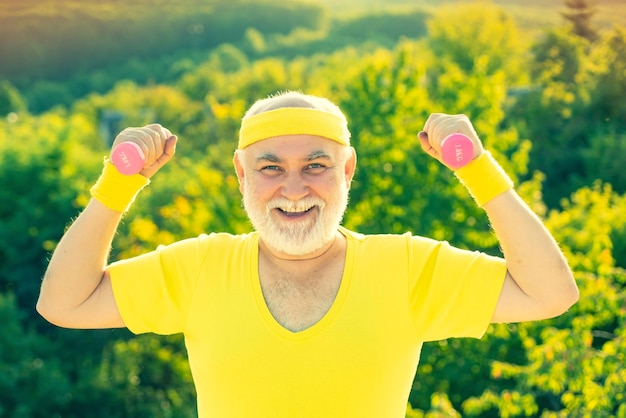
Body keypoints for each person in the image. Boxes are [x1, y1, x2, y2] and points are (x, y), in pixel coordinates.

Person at [37, 91, 579, 417]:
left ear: (346, 172)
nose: (293, 189)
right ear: (242, 176)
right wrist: (117, 185)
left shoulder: (406, 268)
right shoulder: (199, 268)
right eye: (271, 167)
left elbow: (551, 292)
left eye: (315, 166)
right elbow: (64, 303)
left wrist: (476, 168)